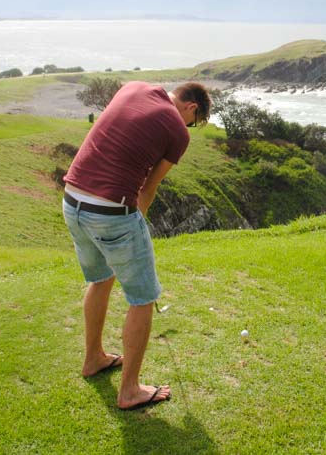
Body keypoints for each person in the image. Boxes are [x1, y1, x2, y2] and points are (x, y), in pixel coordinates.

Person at [62, 81, 211, 410]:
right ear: (192, 108)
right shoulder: (179, 132)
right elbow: (148, 187)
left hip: (72, 200)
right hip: (111, 211)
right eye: (194, 122)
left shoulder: (134, 87)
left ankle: (94, 359)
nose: (189, 128)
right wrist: (135, 225)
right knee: (143, 298)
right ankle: (130, 391)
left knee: (100, 279)